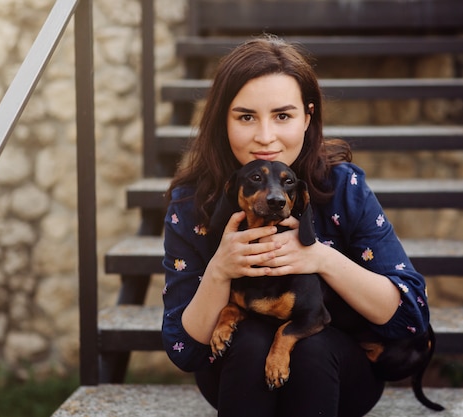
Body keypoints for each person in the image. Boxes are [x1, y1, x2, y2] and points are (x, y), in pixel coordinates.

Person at [161, 35, 430, 417]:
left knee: (311, 347)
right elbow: (184, 350)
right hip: (233, 372)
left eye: (282, 116)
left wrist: (321, 258)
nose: (265, 137)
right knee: (252, 339)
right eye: (246, 116)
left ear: (308, 117)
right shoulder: (191, 204)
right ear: (223, 120)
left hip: (336, 371)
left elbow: (410, 318)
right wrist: (219, 270)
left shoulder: (343, 187)